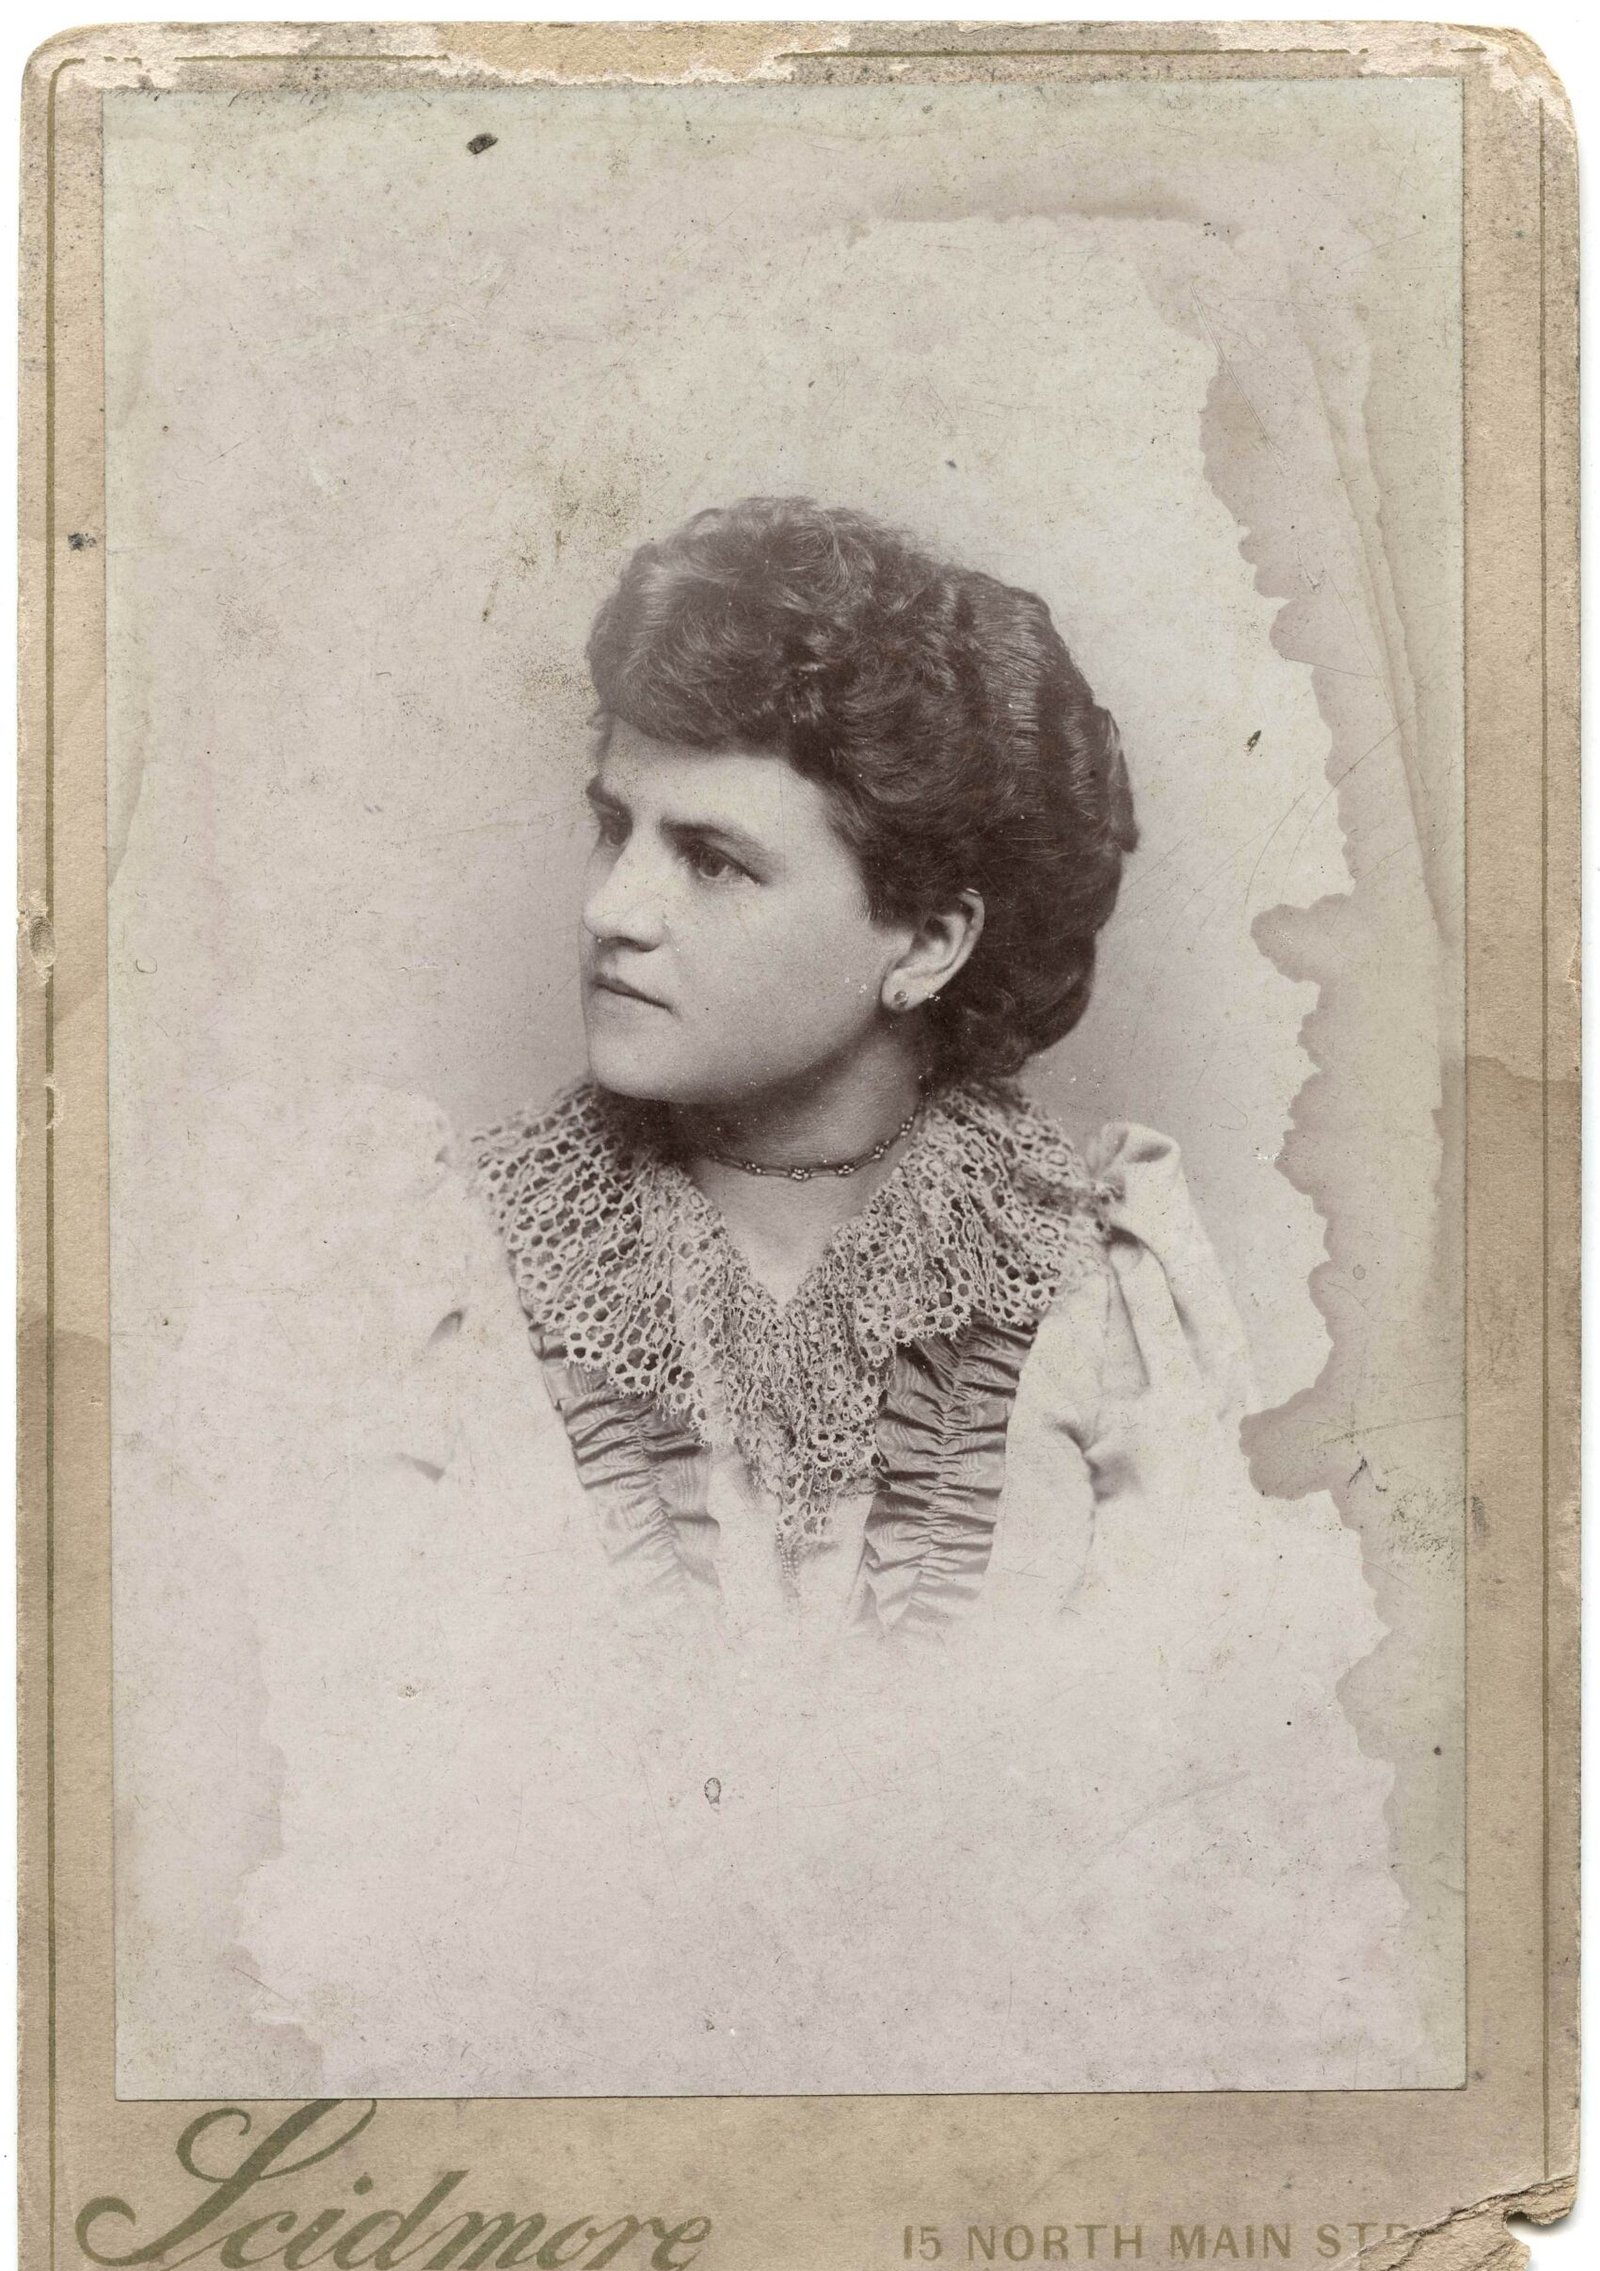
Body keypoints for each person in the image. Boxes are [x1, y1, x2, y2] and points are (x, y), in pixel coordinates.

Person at [126, 500, 1431, 2099]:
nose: (615, 907)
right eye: (614, 826)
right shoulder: (424, 1269)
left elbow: (1221, 1839)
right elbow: (337, 1823)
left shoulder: (1105, 1284)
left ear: (927, 940)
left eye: (713, 859)